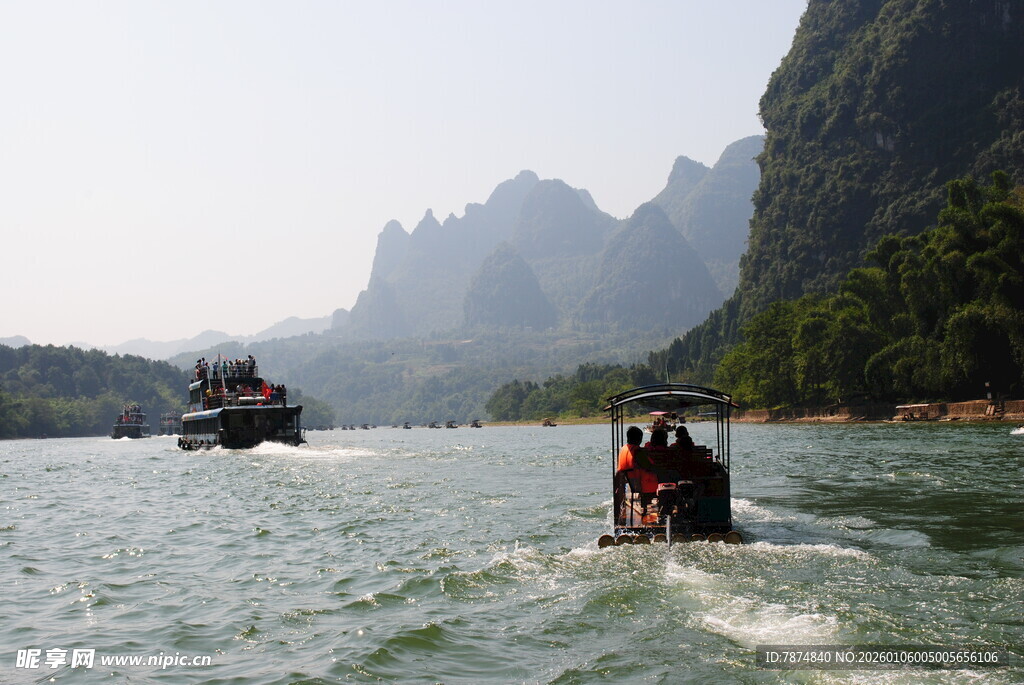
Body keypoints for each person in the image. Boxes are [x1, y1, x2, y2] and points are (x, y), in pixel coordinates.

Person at [616, 426, 658, 517]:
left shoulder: (623, 449)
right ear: (639, 438)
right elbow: (648, 467)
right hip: (643, 485)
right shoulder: (637, 451)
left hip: (633, 484)